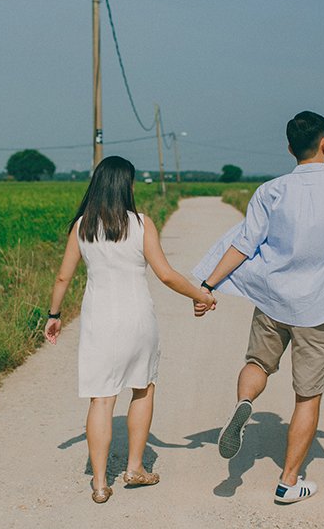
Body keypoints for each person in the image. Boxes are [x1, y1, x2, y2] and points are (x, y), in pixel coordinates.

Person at [193, 111, 324, 504]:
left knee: (257, 364)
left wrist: (208, 286)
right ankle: (288, 482)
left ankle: (245, 403)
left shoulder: (271, 191)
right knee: (307, 396)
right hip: (322, 309)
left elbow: (243, 244)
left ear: (290, 149)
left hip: (274, 301)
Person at [45, 155, 216, 504]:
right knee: (142, 388)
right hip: (138, 320)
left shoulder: (81, 226)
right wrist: (201, 295)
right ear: (127, 185)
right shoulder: (141, 223)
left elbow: (64, 276)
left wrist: (54, 313)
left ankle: (99, 483)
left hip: (98, 322)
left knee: (102, 399)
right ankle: (135, 468)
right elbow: (166, 274)